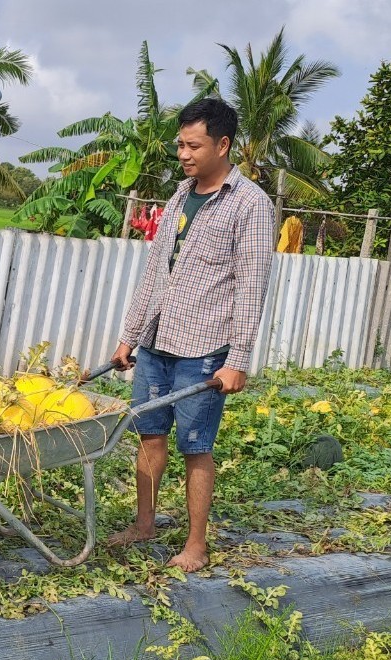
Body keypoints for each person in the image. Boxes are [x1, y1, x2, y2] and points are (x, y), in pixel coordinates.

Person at [107, 98, 274, 572]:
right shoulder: (181, 195)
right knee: (149, 435)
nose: (183, 153)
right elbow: (155, 272)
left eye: (193, 145)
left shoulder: (250, 205)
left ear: (223, 145)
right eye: (180, 143)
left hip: (204, 348)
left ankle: (196, 544)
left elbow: (251, 284)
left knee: (196, 446)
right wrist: (129, 335)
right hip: (158, 342)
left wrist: (238, 358)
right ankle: (144, 525)